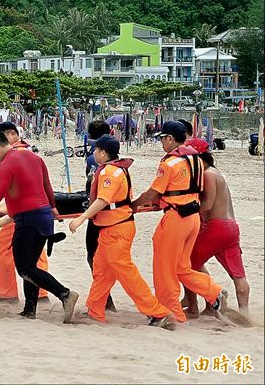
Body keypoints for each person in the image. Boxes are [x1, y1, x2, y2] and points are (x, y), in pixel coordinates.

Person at [0, 130, 79, 322]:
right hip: (43, 217)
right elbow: (47, 186)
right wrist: (53, 208)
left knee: (25, 268)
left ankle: (65, 294)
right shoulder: (34, 157)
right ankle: (29, 309)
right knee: (30, 265)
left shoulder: (6, 165)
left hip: (27, 219)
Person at [69, 135, 172, 327]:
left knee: (125, 272)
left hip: (116, 228)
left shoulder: (110, 172)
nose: (93, 153)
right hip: (113, 227)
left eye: (96, 150)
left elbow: (103, 200)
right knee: (102, 271)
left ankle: (156, 312)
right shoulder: (117, 169)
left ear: (103, 152)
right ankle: (95, 310)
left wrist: (82, 218)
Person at [131, 121, 228, 323]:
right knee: (182, 267)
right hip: (192, 217)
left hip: (176, 218)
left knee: (164, 267)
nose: (161, 143)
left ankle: (170, 313)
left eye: (162, 139)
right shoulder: (197, 161)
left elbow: (152, 193)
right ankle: (214, 291)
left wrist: (133, 205)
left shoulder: (170, 163)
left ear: (170, 138)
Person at [181, 138, 250, 318]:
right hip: (231, 228)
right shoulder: (216, 173)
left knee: (187, 264)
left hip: (216, 227)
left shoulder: (207, 174)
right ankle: (245, 313)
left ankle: (199, 303)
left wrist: (184, 207)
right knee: (237, 274)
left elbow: (207, 205)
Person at [0, 121, 50, 302]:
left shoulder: (15, 155)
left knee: (4, 250)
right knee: (36, 252)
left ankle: (8, 294)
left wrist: (2, 210)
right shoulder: (28, 152)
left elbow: (15, 188)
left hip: (21, 211)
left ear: (11, 135)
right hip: (38, 209)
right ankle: (41, 294)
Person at [83, 121, 117, 312]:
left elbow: (97, 194)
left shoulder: (94, 160)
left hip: (99, 216)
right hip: (117, 216)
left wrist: (83, 217)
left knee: (94, 257)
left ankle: (106, 300)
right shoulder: (119, 165)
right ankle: (104, 299)